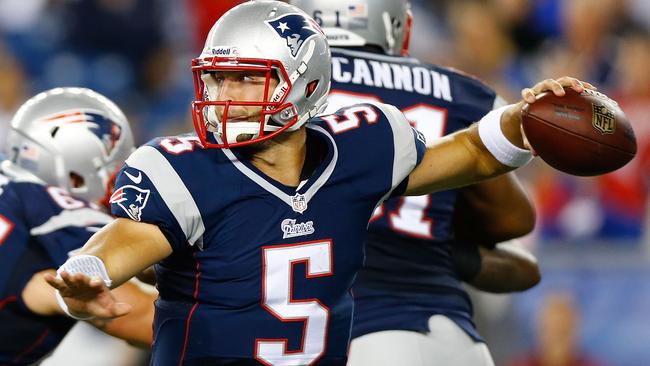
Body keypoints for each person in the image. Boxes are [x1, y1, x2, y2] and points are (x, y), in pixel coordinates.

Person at [46, 1, 594, 365]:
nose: (226, 96)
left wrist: (519, 123)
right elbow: (128, 238)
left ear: (306, 83)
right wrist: (90, 270)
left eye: (246, 79)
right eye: (217, 78)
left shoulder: (361, 149)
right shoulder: (183, 169)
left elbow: (469, 153)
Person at [289, 0, 540, 364]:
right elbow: (516, 222)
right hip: (456, 335)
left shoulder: (290, 89)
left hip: (359, 335)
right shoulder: (461, 93)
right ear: (396, 26)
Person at [0, 87, 156, 365]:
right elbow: (144, 321)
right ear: (75, 175)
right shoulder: (58, 210)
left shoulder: (15, 195)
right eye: (114, 167)